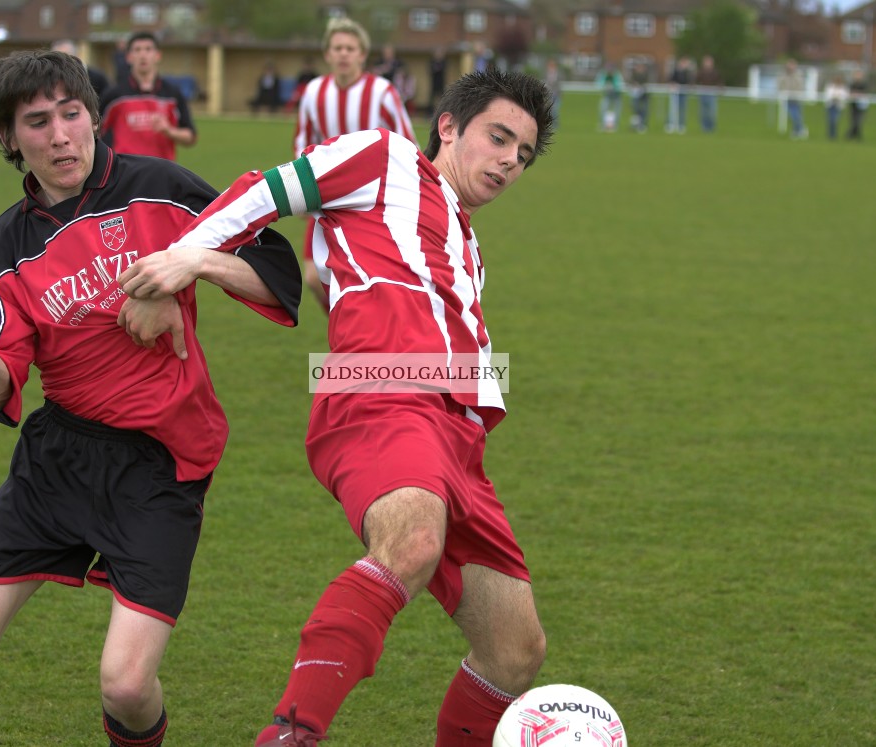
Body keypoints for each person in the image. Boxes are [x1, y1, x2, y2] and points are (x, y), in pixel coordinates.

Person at [118, 65, 555, 747]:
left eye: (522, 155)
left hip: (460, 441)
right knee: (409, 540)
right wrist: (179, 263)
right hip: (381, 391)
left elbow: (342, 276)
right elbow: (266, 192)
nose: (508, 161)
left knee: (516, 649)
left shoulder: (466, 244)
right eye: (499, 138)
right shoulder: (383, 156)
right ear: (449, 126)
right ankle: (291, 733)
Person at [0, 49, 301, 747]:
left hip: (161, 463)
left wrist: (189, 263)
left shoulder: (163, 186)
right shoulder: (7, 241)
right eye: (37, 122)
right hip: (57, 456)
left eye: (71, 114)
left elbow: (277, 273)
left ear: (93, 115)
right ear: (9, 138)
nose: (60, 135)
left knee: (125, 683)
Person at [293, 16, 416, 314]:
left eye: (350, 48)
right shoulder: (313, 93)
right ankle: (346, 324)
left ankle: (369, 333)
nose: (344, 53)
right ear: (328, 54)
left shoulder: (383, 92)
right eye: (337, 48)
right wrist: (300, 191)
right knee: (312, 276)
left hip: (371, 201)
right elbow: (302, 143)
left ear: (362, 54)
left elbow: (408, 144)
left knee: (372, 281)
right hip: (327, 197)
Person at [99, 32, 197, 160]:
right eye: (137, 50)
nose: (143, 55)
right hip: (126, 173)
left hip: (163, 172)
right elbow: (95, 131)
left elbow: (190, 137)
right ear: (129, 57)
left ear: (157, 56)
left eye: (148, 49)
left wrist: (170, 131)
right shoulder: (114, 95)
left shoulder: (172, 94)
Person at [778, 58, 808, 139]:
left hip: (797, 98)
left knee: (798, 116)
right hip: (787, 98)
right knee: (793, 115)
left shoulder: (798, 75)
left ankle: (798, 130)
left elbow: (800, 85)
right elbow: (780, 85)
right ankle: (798, 130)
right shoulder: (783, 75)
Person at [696, 55, 723, 133]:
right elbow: (696, 80)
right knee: (703, 111)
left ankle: (712, 127)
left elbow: (719, 81)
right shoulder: (701, 72)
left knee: (712, 112)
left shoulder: (715, 72)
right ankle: (704, 127)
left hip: (712, 93)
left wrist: (720, 88)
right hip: (703, 93)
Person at [667, 56, 692, 133]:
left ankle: (681, 125)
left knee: (682, 109)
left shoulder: (687, 72)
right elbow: (671, 80)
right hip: (675, 93)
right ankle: (671, 124)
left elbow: (689, 82)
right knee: (673, 109)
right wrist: (673, 85)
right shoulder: (676, 71)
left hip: (683, 93)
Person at [598, 64, 623, 132]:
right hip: (607, 95)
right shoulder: (604, 75)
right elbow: (599, 83)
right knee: (603, 108)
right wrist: (605, 87)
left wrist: (614, 87)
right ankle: (603, 124)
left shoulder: (617, 75)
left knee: (617, 110)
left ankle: (615, 125)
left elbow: (620, 85)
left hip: (616, 95)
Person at [627, 60, 650, 133]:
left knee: (644, 109)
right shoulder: (634, 75)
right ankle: (636, 125)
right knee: (636, 109)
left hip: (644, 95)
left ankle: (643, 124)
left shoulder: (646, 75)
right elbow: (630, 82)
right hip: (635, 95)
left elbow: (647, 84)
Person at [845, 69, 868, 141]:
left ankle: (854, 134)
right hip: (853, 104)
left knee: (859, 120)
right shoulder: (852, 84)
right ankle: (852, 134)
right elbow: (849, 93)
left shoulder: (863, 84)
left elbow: (865, 93)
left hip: (861, 105)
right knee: (853, 120)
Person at [824, 74, 848, 140]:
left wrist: (837, 97)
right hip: (831, 105)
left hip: (838, 106)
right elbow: (828, 95)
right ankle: (830, 134)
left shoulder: (843, 88)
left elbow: (844, 96)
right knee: (830, 120)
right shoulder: (830, 87)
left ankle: (834, 134)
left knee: (835, 120)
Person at [428, 47, 448, 116]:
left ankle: (442, 111)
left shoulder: (443, 62)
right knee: (432, 98)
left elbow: (442, 70)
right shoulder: (432, 62)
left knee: (442, 97)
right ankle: (430, 112)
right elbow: (431, 70)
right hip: (434, 82)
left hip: (441, 82)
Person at [544, 58, 562, 125]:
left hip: (556, 94)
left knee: (555, 109)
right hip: (549, 94)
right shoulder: (546, 74)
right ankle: (551, 123)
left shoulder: (558, 74)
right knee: (550, 110)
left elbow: (559, 85)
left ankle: (555, 124)